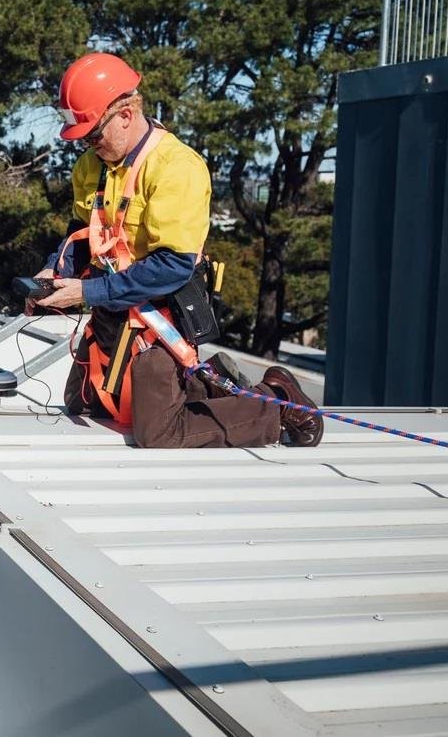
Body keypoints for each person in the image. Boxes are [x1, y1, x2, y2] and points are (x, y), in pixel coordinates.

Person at [33, 52, 322, 449]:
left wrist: (86, 293)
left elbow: (171, 267)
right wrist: (55, 272)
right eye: (82, 138)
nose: (89, 145)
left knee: (159, 433)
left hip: (159, 323)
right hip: (110, 316)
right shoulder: (91, 166)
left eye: (94, 134)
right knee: (84, 406)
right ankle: (207, 386)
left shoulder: (176, 167)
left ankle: (278, 401)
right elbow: (82, 230)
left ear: (127, 112)